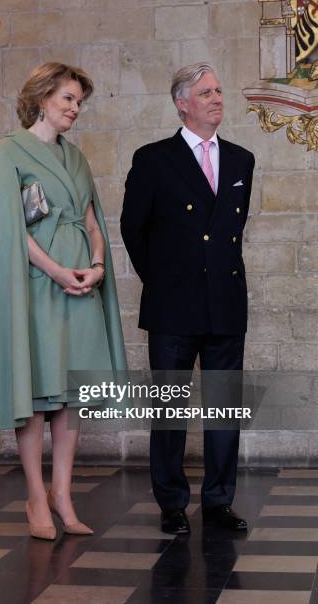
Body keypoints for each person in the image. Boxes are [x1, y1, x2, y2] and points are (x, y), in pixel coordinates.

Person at [0, 62, 127, 540]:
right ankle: (35, 497)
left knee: (71, 397)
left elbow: (91, 222)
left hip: (81, 285)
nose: (75, 109)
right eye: (68, 98)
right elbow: (11, 230)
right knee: (38, 394)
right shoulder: (5, 153)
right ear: (42, 97)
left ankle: (64, 496)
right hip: (39, 285)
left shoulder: (77, 158)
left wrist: (97, 267)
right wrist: (59, 270)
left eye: (79, 101)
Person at [120, 62, 255, 535]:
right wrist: (161, 280)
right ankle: (172, 504)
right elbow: (132, 228)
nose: (217, 98)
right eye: (205, 92)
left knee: (224, 410)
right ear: (182, 103)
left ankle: (218, 502)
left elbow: (230, 230)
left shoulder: (241, 160)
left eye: (219, 90)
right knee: (171, 412)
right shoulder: (153, 158)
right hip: (173, 307)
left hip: (226, 303)